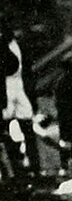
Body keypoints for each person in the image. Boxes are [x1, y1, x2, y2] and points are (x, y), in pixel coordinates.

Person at [3, 24, 39, 180]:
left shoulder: (18, 46)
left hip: (19, 87)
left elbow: (25, 70)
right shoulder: (3, 46)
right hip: (5, 87)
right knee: (6, 129)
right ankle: (14, 170)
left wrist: (31, 96)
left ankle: (33, 166)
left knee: (27, 127)